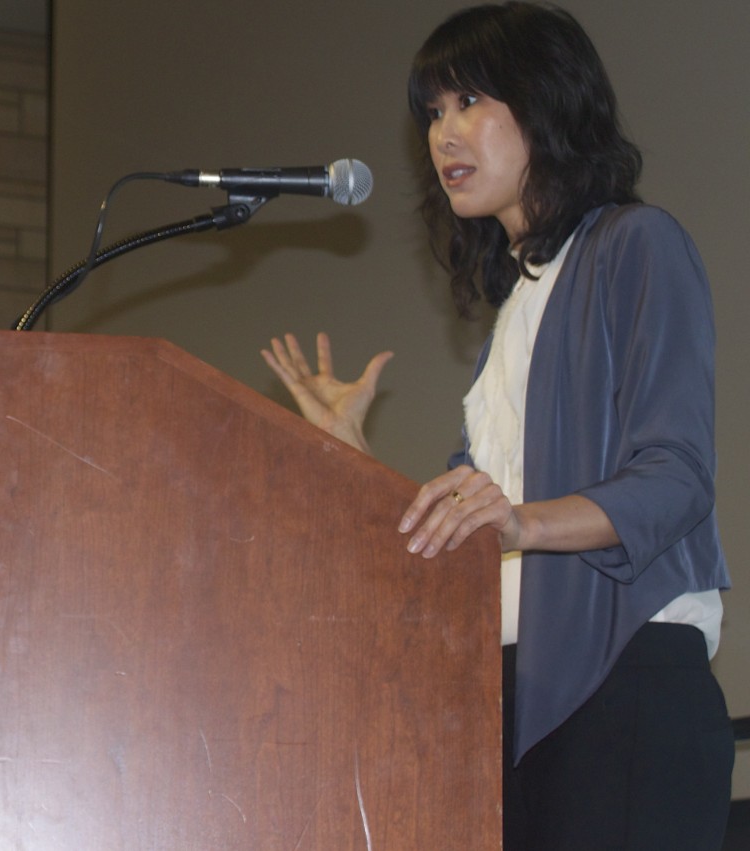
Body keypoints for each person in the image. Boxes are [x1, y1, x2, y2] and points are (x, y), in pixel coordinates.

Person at [261, 3, 734, 849]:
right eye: (433, 114)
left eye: (471, 101)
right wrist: (352, 452)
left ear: (548, 103)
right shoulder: (517, 309)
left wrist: (521, 520)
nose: (444, 133)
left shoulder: (637, 244)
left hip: (625, 680)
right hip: (517, 692)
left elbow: (675, 476)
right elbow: (468, 528)